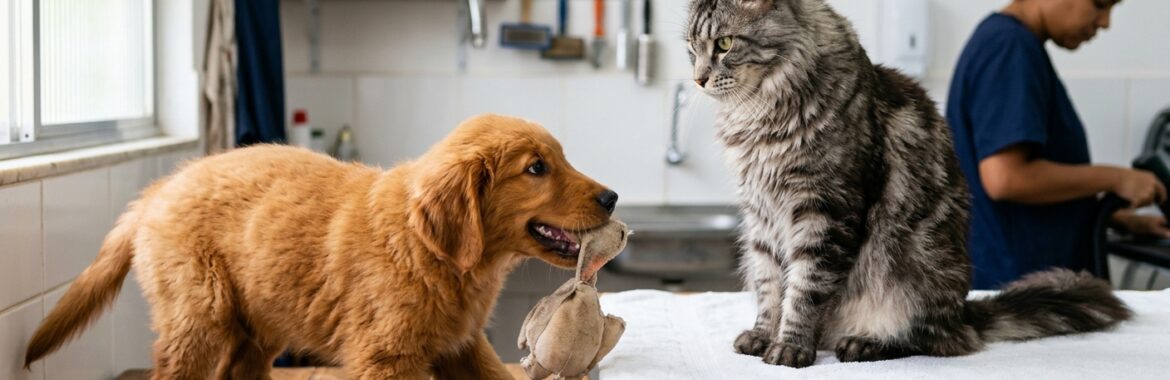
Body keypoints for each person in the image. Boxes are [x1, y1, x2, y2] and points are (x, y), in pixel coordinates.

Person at [946, 0, 1169, 289]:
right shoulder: (1010, 47)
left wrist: (1117, 219)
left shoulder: (1009, 42)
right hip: (1018, 287)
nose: (1105, 22)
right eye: (1099, 5)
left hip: (1021, 280)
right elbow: (1006, 179)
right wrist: (1116, 178)